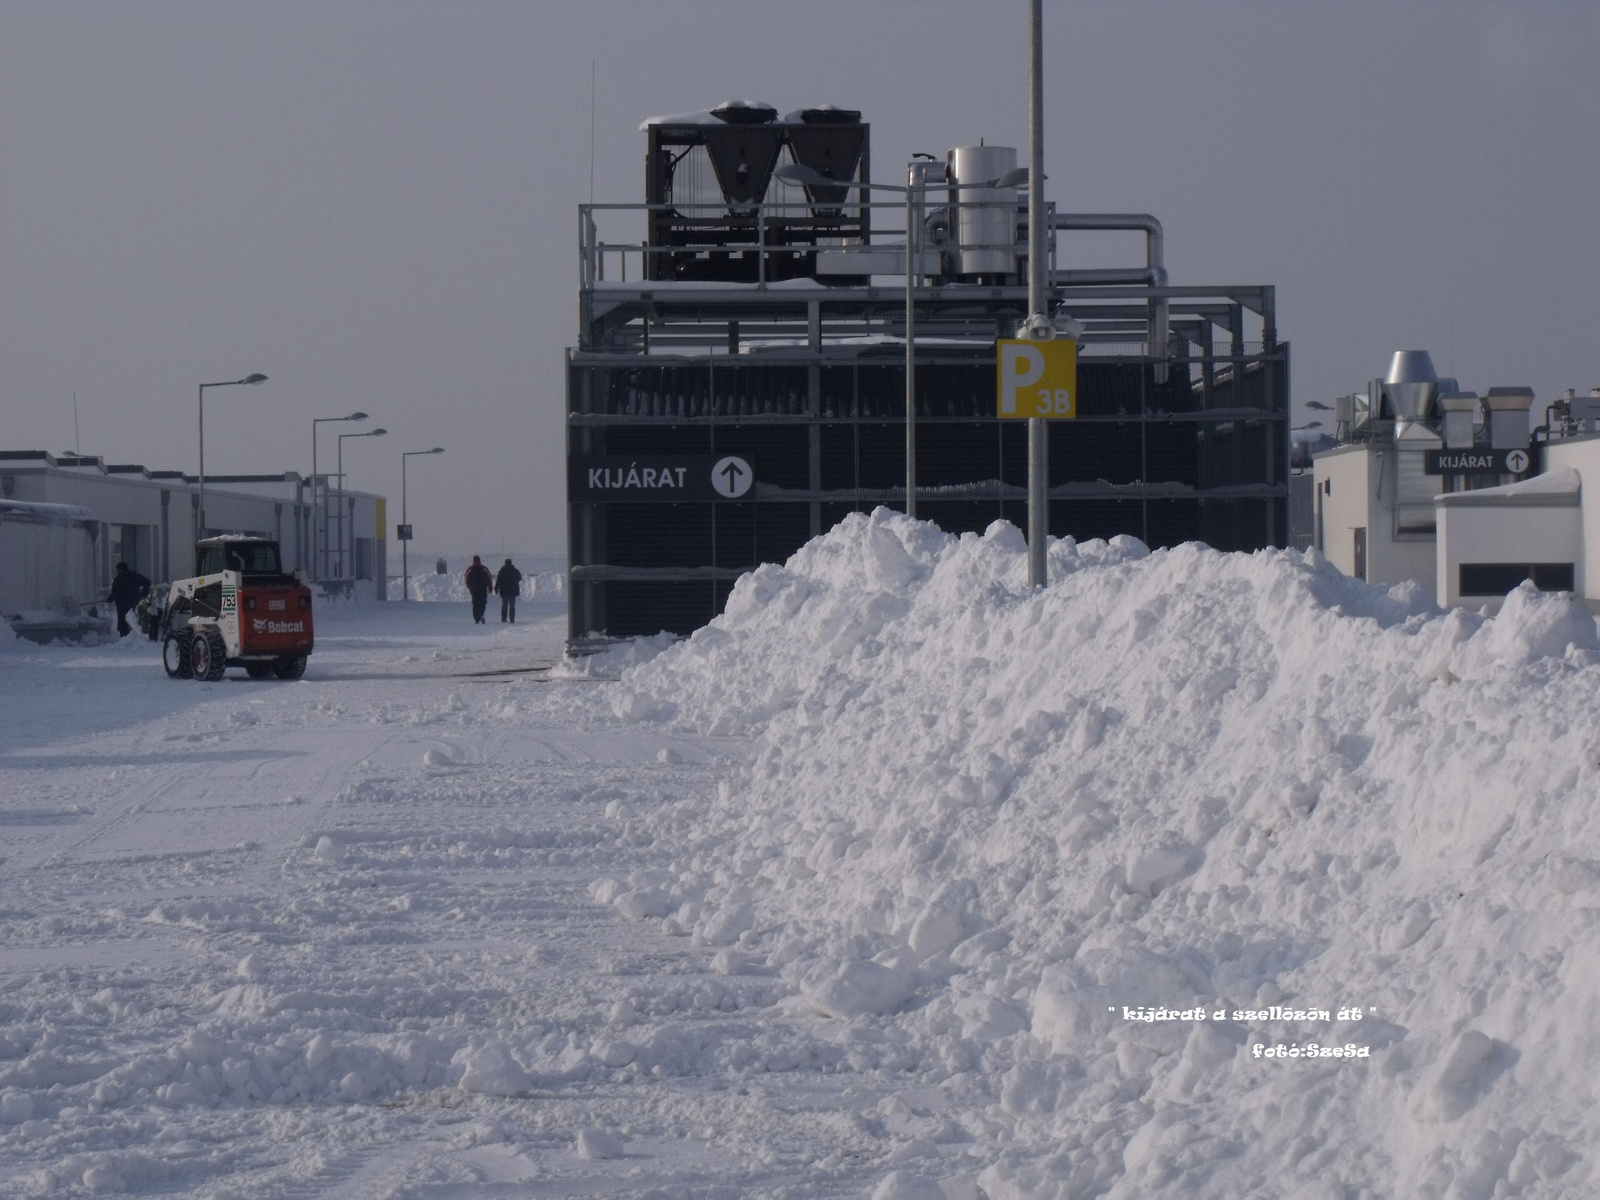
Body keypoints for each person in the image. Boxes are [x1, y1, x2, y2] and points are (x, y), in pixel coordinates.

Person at [107, 561, 151, 638]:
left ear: (120, 570)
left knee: (123, 623)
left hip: (122, 604)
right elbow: (147, 582)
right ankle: (135, 637)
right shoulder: (135, 576)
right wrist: (143, 594)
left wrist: (109, 599)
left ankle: (125, 638)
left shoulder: (118, 579)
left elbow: (115, 592)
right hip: (135, 603)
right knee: (134, 620)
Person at [463, 555, 493, 624]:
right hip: (482, 589)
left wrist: (469, 586)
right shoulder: (484, 568)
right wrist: (490, 587)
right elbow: (489, 578)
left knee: (475, 603)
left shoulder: (470, 569)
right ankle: (481, 614)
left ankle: (477, 618)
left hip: (474, 589)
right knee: (483, 602)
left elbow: (466, 578)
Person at [495, 558, 523, 623]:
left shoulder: (502, 571)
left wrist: (496, 588)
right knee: (512, 605)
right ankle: (512, 619)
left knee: (504, 604)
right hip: (513, 590)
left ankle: (504, 618)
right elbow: (519, 578)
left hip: (504, 590)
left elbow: (498, 580)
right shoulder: (515, 570)